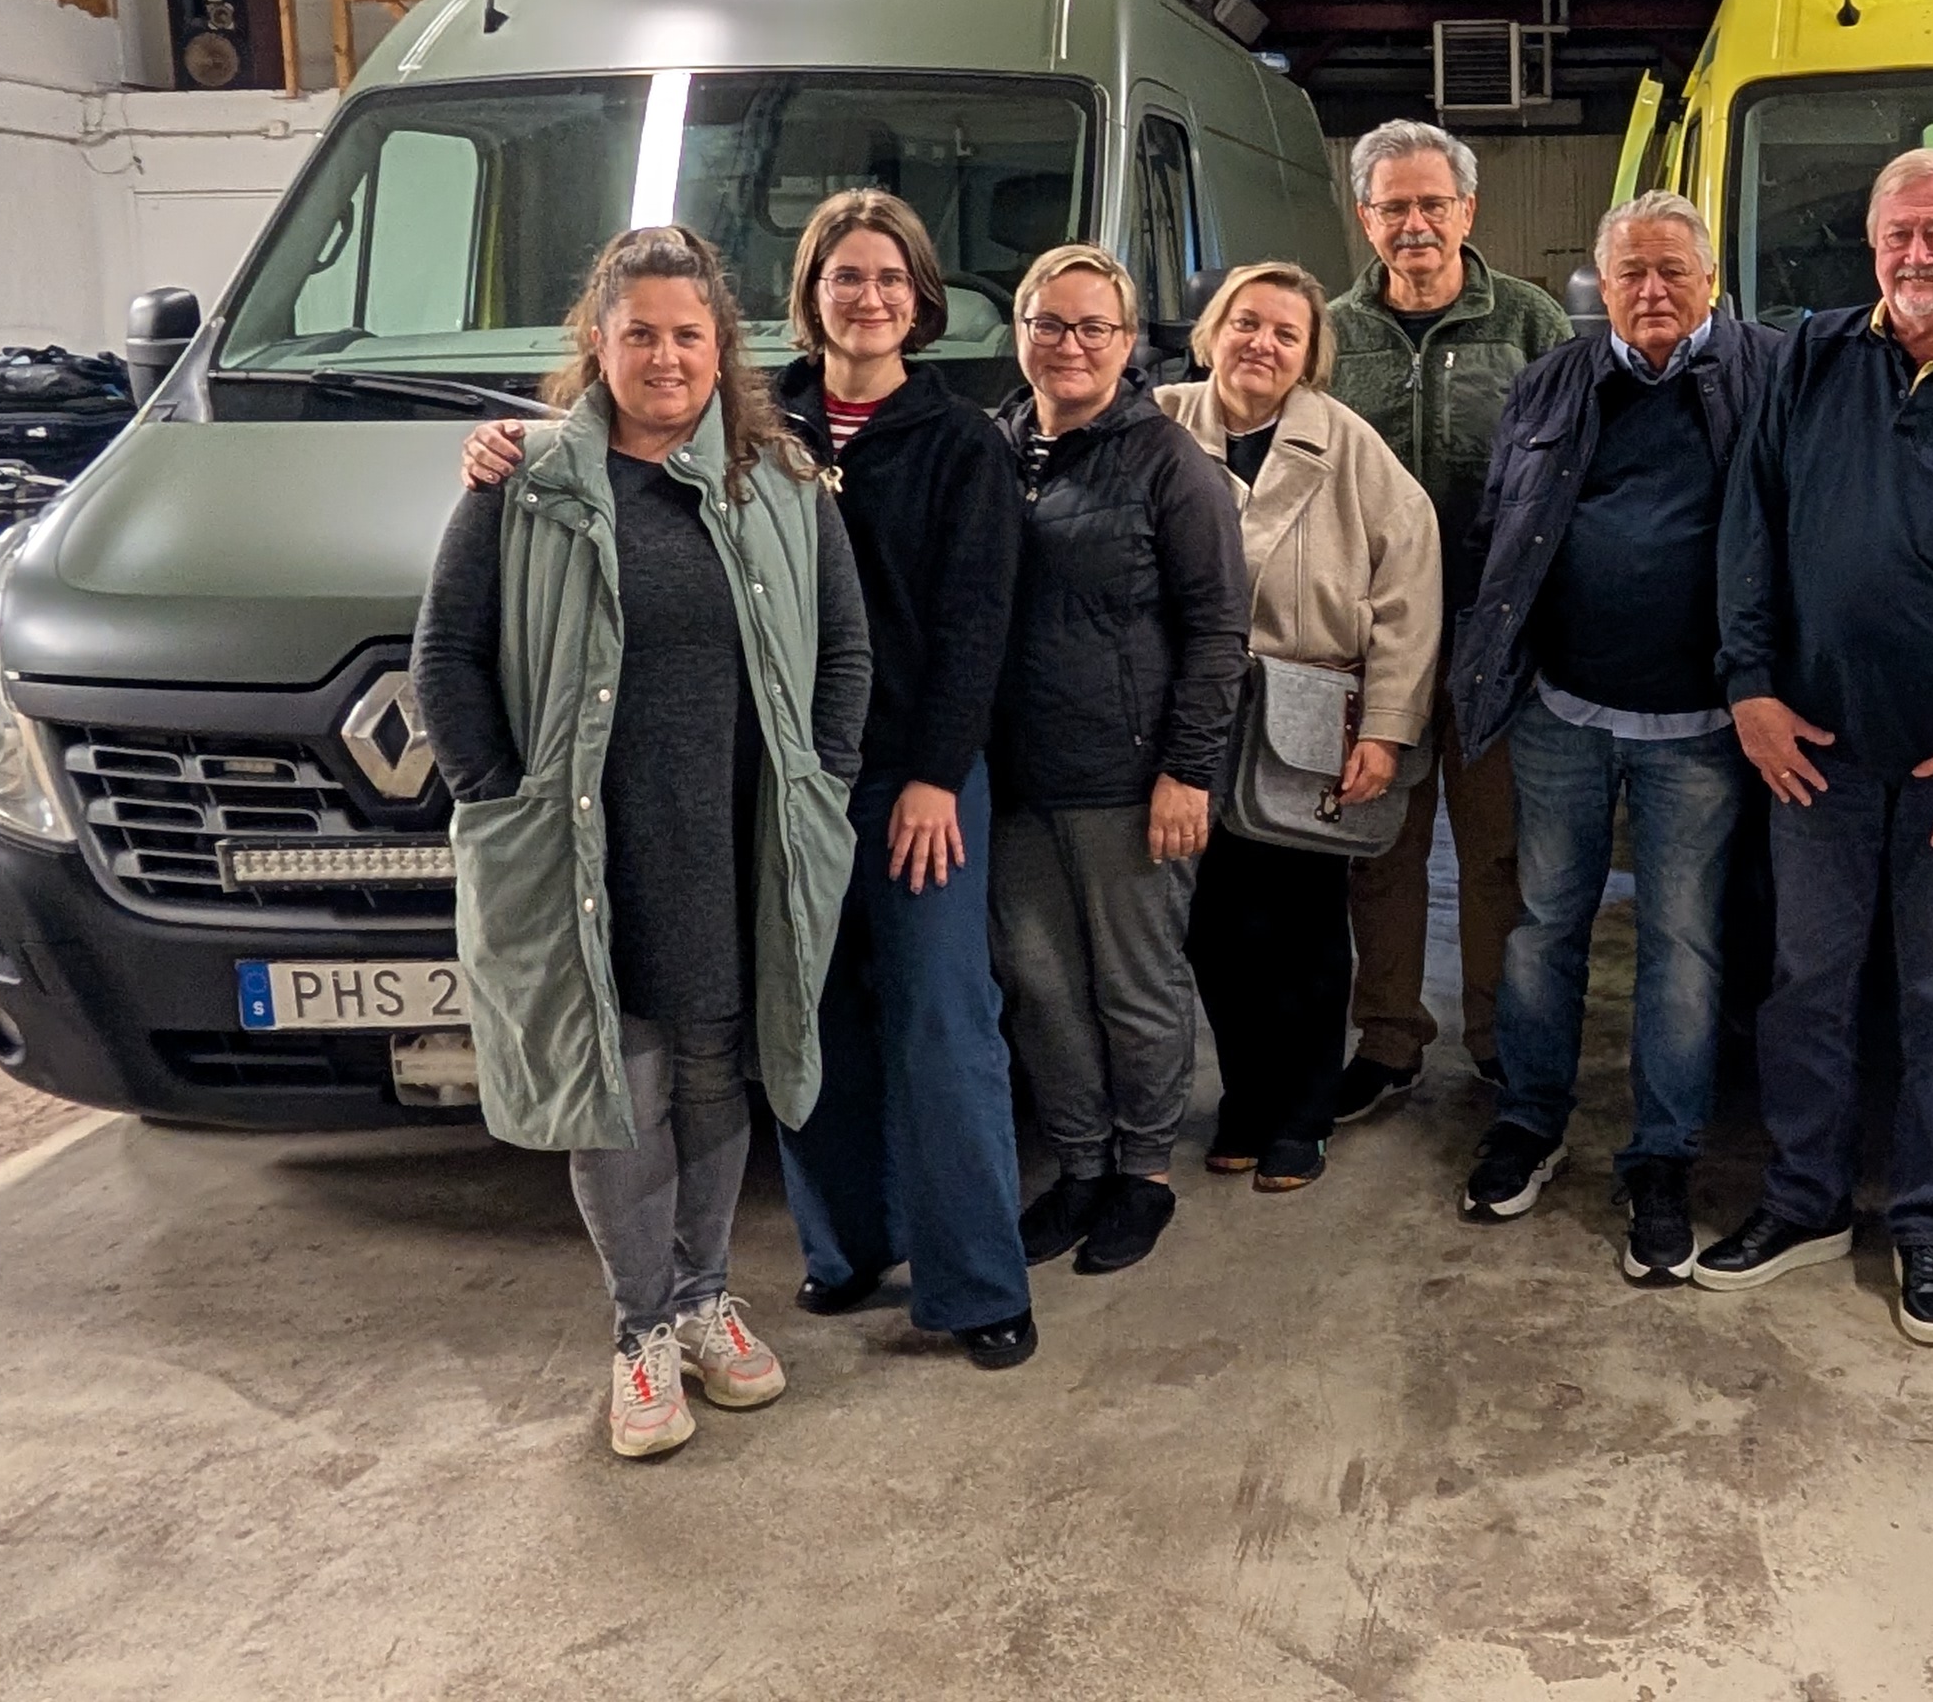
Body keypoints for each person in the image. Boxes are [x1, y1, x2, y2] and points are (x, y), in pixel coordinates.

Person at [469, 193, 1039, 1366]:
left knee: (940, 1021)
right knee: (804, 1015)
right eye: (845, 276)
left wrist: (935, 773)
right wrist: (503, 448)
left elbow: (977, 626)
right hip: (769, 791)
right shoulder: (758, 424)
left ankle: (979, 1285)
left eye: (890, 277)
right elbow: (608, 457)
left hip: (912, 785)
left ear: (920, 300)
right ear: (808, 295)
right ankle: (847, 1249)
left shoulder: (960, 442)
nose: (868, 297)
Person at [409, 225, 871, 1461]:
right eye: (640, 335)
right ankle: (640, 1331)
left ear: (723, 349)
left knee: (716, 1072)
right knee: (616, 1083)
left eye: (688, 335)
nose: (666, 357)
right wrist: (498, 798)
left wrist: (824, 775)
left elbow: (845, 646)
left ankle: (706, 1297)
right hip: (584, 847)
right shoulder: (524, 486)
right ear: (597, 344)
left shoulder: (781, 482)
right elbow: (445, 657)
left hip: (731, 833)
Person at [1697, 147, 1933, 1346]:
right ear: (1873, 248)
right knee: (1805, 985)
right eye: (1898, 235)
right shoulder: (1809, 357)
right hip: (1813, 753)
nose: (1918, 255)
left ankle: (1926, 1221)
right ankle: (1804, 1200)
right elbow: (1749, 530)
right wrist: (1751, 690)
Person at [1450, 190, 1768, 1281]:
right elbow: (1500, 525)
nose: (1653, 290)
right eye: (1631, 271)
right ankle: (1529, 1122)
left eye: (1674, 269)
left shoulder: (1767, 378)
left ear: (1712, 280)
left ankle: (1662, 1158)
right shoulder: (1552, 381)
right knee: (1544, 926)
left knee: (1682, 948)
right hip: (1564, 713)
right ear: (1602, 285)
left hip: (1702, 729)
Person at [990, 244, 1249, 1279]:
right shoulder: (994, 448)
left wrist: (1189, 770)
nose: (1070, 345)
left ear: (1129, 341)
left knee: (1136, 990)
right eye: (1049, 324)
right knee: (1042, 987)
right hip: (1015, 782)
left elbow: (1219, 631)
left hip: (1130, 781)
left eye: (1094, 327)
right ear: (1020, 331)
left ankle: (1144, 1173)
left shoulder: (1169, 465)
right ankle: (1081, 1165)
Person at [1157, 262, 1442, 1191]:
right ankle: (1246, 1096)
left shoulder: (1348, 445)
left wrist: (1386, 727)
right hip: (1190, 715)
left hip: (1309, 713)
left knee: (1305, 925)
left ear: (1311, 355)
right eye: (1246, 323)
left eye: (1286, 333)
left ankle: (1304, 1111)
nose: (1262, 345)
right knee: (1211, 926)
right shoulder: (1159, 422)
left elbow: (1409, 584)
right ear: (1212, 332)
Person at [1320, 119, 1574, 1119]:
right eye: (1395, 207)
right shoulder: (1332, 334)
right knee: (1379, 848)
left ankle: (1498, 1036)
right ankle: (1388, 1040)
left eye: (1433, 204)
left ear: (1469, 210)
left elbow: (1577, 468)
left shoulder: (1531, 324)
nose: (1415, 224)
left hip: (1496, 639)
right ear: (1365, 217)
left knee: (1498, 853)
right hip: (1372, 643)